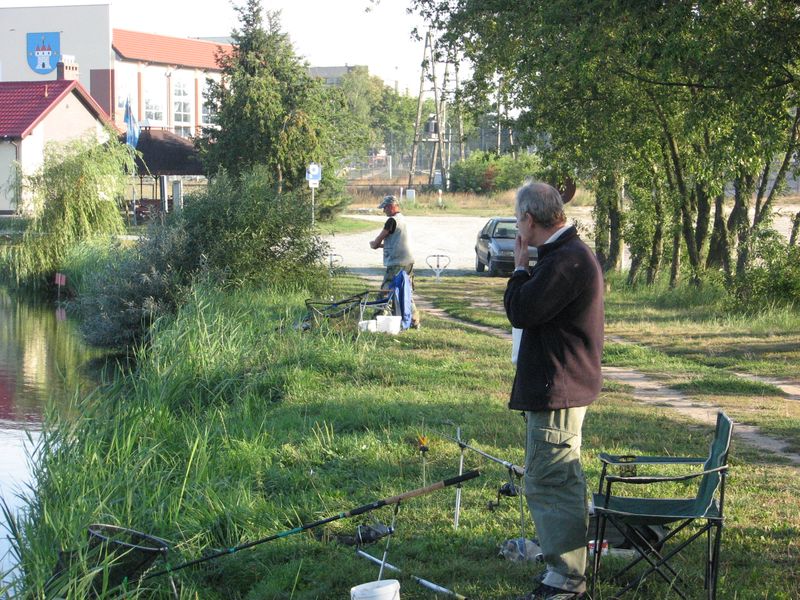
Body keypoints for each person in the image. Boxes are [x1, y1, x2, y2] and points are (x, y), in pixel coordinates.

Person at [504, 182, 604, 600]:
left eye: (516, 219)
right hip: (558, 385)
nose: (516, 226)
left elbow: (521, 310)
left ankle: (566, 580)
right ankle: (566, 572)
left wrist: (519, 268)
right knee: (558, 478)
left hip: (559, 387)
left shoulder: (565, 261)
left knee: (551, 480)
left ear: (529, 219)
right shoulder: (564, 256)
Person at [369, 195, 420, 328]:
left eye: (385, 207)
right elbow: (396, 241)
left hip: (396, 262)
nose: (383, 210)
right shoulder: (403, 220)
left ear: (392, 206)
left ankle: (377, 320)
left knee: (385, 291)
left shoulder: (391, 221)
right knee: (406, 290)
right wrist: (380, 245)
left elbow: (378, 240)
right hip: (408, 261)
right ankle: (414, 321)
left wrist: (374, 244)